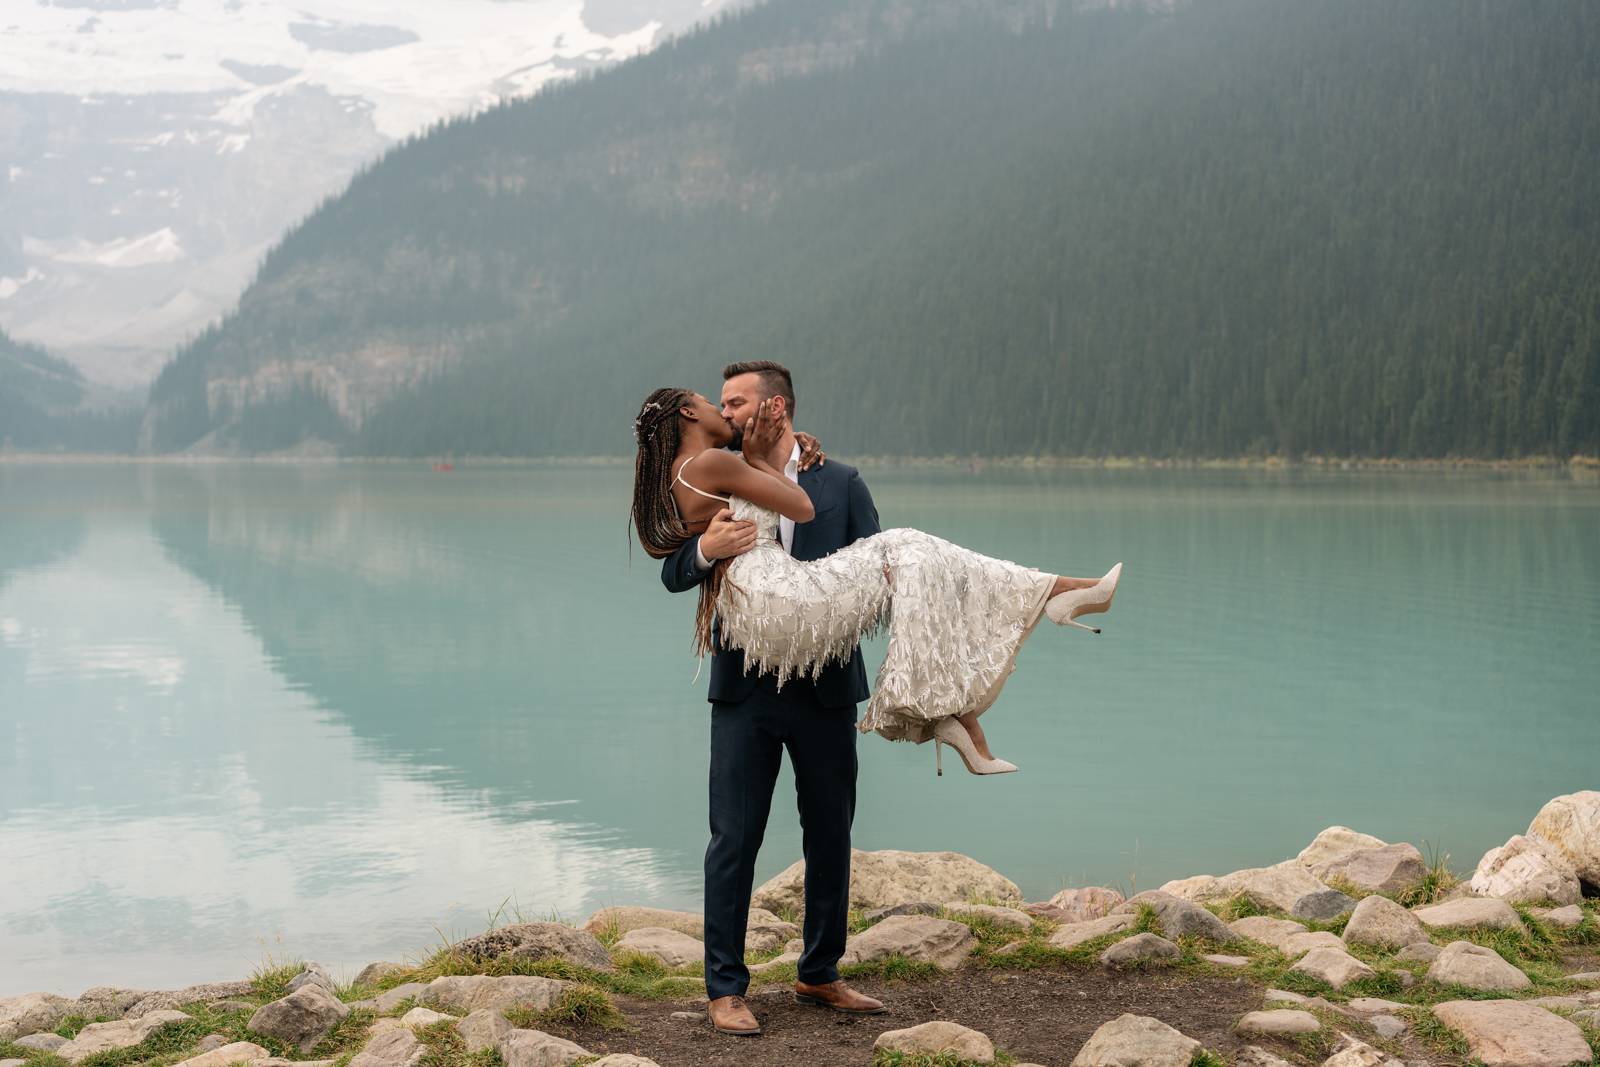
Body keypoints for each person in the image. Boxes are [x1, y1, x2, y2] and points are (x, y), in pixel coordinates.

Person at [636, 361, 1120, 1037]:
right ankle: (725, 987)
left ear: (775, 406)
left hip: (827, 686)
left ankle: (819, 972)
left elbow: (884, 588)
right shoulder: (717, 467)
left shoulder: (841, 481)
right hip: (746, 685)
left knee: (830, 834)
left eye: (738, 401)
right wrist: (705, 552)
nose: (730, 410)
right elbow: (669, 566)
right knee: (734, 840)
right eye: (720, 403)